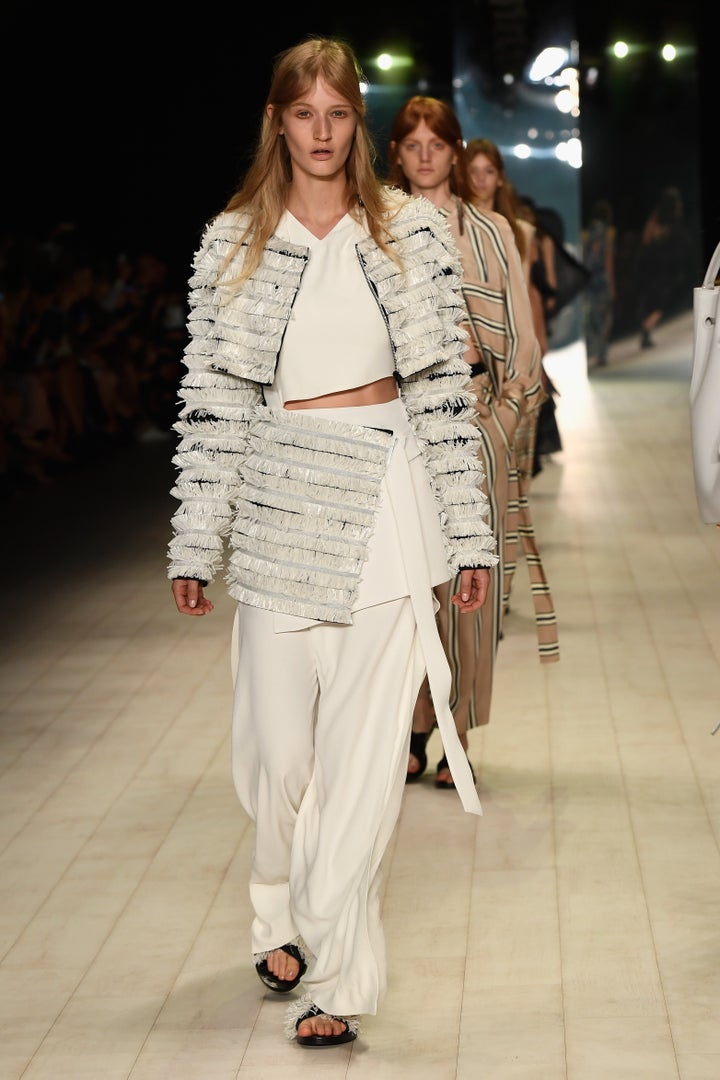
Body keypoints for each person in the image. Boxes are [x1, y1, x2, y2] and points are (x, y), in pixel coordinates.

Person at [167, 38, 497, 1050]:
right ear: (277, 121)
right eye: (302, 113)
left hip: (387, 500)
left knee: (359, 764)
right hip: (277, 502)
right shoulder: (231, 245)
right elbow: (216, 403)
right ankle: (280, 906)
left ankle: (340, 976)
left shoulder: (406, 235)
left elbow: (443, 387)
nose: (320, 132)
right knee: (278, 754)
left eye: (339, 114)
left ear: (358, 124)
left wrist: (468, 532)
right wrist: (195, 539)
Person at [386, 97, 559, 790]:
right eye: (412, 142)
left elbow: (523, 342)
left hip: (477, 419)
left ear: (454, 151)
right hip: (399, 429)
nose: (426, 153)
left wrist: (503, 424)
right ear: (395, 154)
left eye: (438, 141)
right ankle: (415, 718)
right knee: (409, 589)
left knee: (470, 591)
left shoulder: (492, 234)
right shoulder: (374, 235)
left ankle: (452, 732)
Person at [635, 185, 693, 349]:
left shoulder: (656, 216)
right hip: (665, 266)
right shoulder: (675, 218)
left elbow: (646, 239)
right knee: (661, 302)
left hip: (650, 263)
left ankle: (645, 329)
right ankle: (646, 328)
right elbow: (681, 243)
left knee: (652, 299)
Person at [581, 198, 616, 368]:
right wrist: (612, 285)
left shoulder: (586, 234)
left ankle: (592, 350)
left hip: (588, 281)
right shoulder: (607, 233)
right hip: (602, 280)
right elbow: (608, 259)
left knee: (591, 317)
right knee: (604, 317)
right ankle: (601, 353)